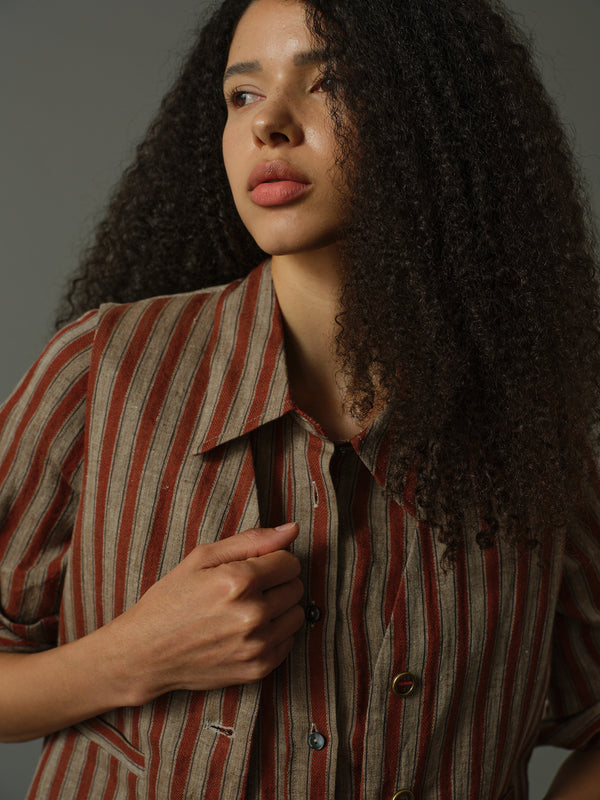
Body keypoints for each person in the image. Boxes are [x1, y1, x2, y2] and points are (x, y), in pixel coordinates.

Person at [0, 0, 599, 797]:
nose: (269, 125)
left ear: (437, 117)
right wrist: (130, 658)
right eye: (242, 95)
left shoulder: (527, 433)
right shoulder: (101, 369)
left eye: (333, 82)